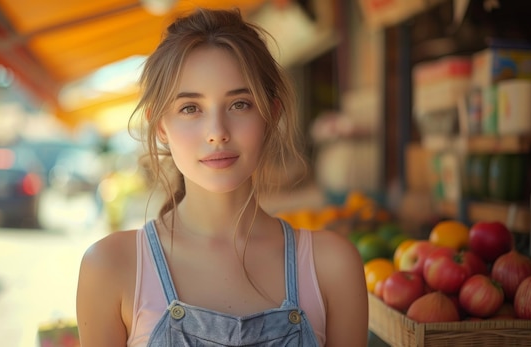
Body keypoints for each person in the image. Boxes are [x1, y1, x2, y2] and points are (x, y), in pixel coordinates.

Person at [76, 7, 368, 347]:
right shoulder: (111, 266)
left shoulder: (332, 266)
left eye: (239, 104)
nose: (217, 132)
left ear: (271, 116)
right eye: (190, 108)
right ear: (160, 127)